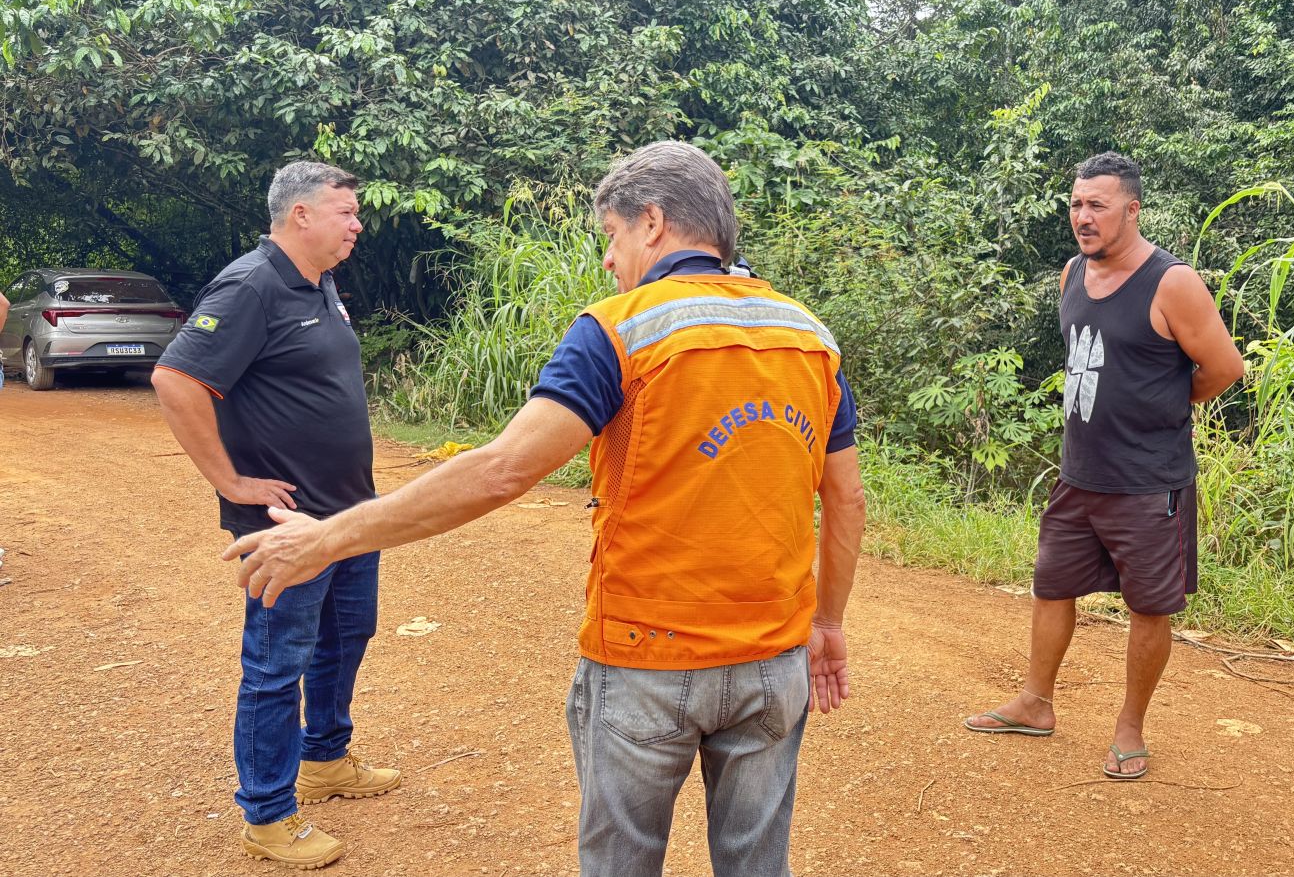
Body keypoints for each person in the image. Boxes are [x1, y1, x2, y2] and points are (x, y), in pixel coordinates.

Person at [223, 140, 868, 877]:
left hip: (647, 661)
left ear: (651, 223)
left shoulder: (621, 329)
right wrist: (828, 623)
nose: (608, 260)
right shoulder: (808, 335)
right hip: (775, 661)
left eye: (612, 236)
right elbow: (845, 496)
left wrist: (328, 539)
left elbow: (501, 471)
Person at [963, 152, 1244, 779]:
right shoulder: (1072, 274)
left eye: (1098, 206)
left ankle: (1130, 728)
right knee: (1052, 586)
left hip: (1149, 481)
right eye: (1076, 205)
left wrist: (1166, 406)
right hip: (1079, 474)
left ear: (1132, 210)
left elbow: (1225, 369)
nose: (1083, 218)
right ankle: (1035, 703)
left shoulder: (1172, 283)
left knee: (1149, 606)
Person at [151, 161, 399, 870]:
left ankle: (325, 759)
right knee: (275, 660)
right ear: (300, 216)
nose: (357, 223)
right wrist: (230, 480)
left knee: (348, 632)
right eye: (346, 212)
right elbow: (176, 379)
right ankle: (266, 814)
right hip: (288, 522)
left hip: (350, 512)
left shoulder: (317, 283)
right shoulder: (251, 285)